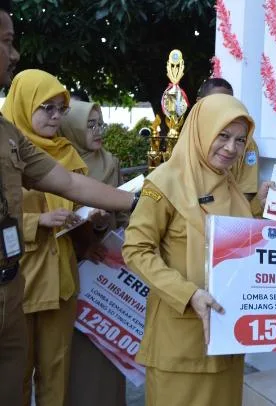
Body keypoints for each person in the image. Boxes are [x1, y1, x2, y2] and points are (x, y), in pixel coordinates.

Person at [0, 4, 135, 404]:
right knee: (16, 381)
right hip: (28, 275)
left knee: (50, 373)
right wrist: (36, 222)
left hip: (38, 280)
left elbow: (70, 183)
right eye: (7, 41)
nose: (15, 53)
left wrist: (140, 199)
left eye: (61, 109)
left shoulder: (10, 137)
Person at [122, 94, 272, 406]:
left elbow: (235, 241)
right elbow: (136, 249)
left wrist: (266, 205)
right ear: (202, 130)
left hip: (226, 337)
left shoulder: (229, 185)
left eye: (240, 140)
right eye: (223, 135)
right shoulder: (163, 183)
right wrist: (188, 294)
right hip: (180, 343)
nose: (231, 148)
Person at [59, 100, 127, 406]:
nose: (98, 131)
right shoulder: (58, 165)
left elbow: (123, 214)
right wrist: (84, 236)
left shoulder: (111, 162)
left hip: (108, 270)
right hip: (73, 270)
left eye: (101, 124)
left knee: (111, 355)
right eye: (90, 125)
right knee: (78, 361)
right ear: (73, 128)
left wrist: (108, 227)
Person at [197, 77, 259, 200]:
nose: (230, 148)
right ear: (199, 102)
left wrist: (223, 209)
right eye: (223, 136)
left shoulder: (246, 143)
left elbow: (248, 190)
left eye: (228, 102)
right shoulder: (190, 136)